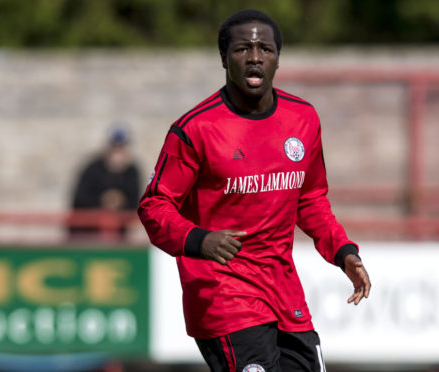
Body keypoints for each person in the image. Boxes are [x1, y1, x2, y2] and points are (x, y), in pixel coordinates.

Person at [138, 9, 371, 372]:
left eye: (265, 49)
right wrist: (200, 239)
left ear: (278, 59)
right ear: (223, 58)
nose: (254, 57)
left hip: (283, 289)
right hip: (223, 292)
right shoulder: (195, 128)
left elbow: (310, 199)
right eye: (242, 49)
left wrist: (342, 252)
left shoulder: (303, 118)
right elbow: (154, 206)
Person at [69, 125, 141, 240]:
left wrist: (119, 202)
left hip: (119, 237)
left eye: (121, 148)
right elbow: (78, 200)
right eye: (115, 147)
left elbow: (135, 205)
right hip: (87, 235)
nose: (117, 152)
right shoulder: (92, 168)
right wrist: (103, 201)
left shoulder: (132, 172)